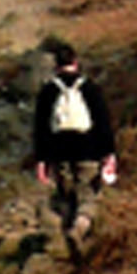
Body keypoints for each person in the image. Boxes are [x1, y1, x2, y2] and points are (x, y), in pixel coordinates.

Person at [33, 39, 117, 247]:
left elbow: (40, 128)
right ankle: (80, 229)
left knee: (67, 196)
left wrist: (41, 160)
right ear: (76, 62)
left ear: (56, 65)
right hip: (88, 148)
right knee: (88, 195)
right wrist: (109, 153)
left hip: (59, 152)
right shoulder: (90, 88)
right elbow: (103, 122)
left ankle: (66, 238)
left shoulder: (48, 91)